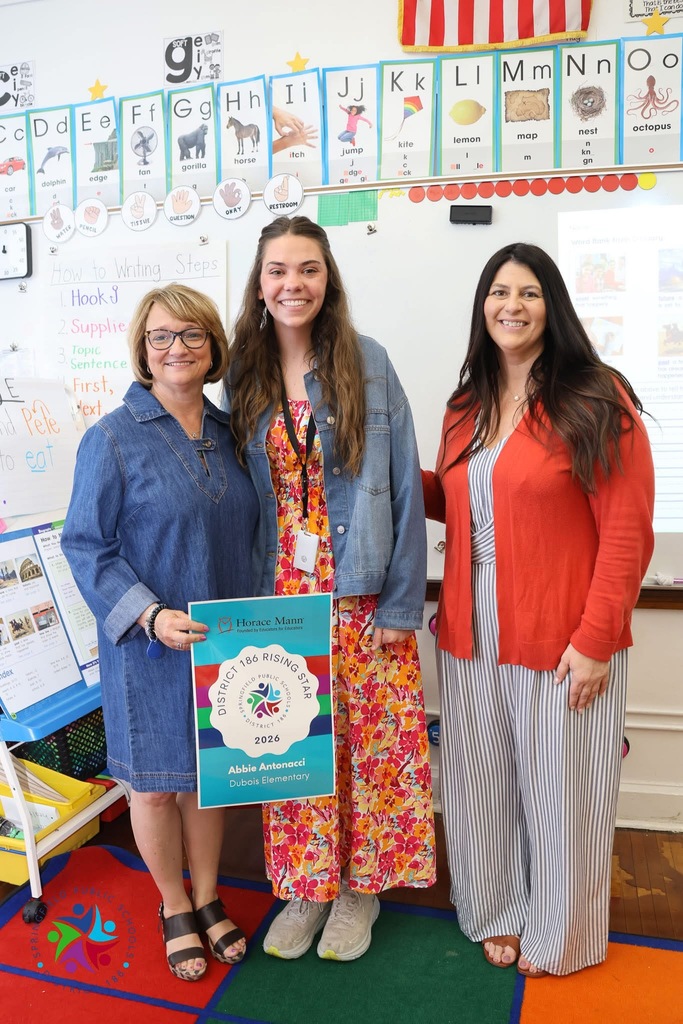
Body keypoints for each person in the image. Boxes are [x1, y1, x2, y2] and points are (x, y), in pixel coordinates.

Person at [422, 242, 654, 978]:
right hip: (468, 627)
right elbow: (457, 508)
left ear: (551, 305)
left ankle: (560, 934)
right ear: (481, 305)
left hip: (563, 634)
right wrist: (390, 476)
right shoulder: (465, 405)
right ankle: (495, 910)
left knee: (563, 796)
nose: (510, 305)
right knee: (479, 784)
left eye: (527, 292)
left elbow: (626, 530)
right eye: (498, 291)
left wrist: (594, 641)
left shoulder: (595, 396)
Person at [225, 215, 435, 963]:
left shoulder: (368, 363)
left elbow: (404, 489)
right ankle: (306, 887)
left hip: (361, 599)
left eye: (308, 269)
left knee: (369, 757)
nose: (293, 284)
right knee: (294, 754)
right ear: (259, 283)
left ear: (328, 279)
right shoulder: (240, 375)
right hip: (277, 603)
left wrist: (401, 604)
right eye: (279, 270)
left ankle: (358, 891)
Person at [61, 284, 259, 982]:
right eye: (161, 338)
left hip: (223, 646)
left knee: (206, 780)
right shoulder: (110, 437)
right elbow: (85, 545)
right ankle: (172, 903)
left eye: (192, 336)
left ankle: (208, 897)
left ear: (213, 348)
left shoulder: (235, 431)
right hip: (147, 644)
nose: (177, 349)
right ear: (143, 352)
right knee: (151, 788)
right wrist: (148, 613)